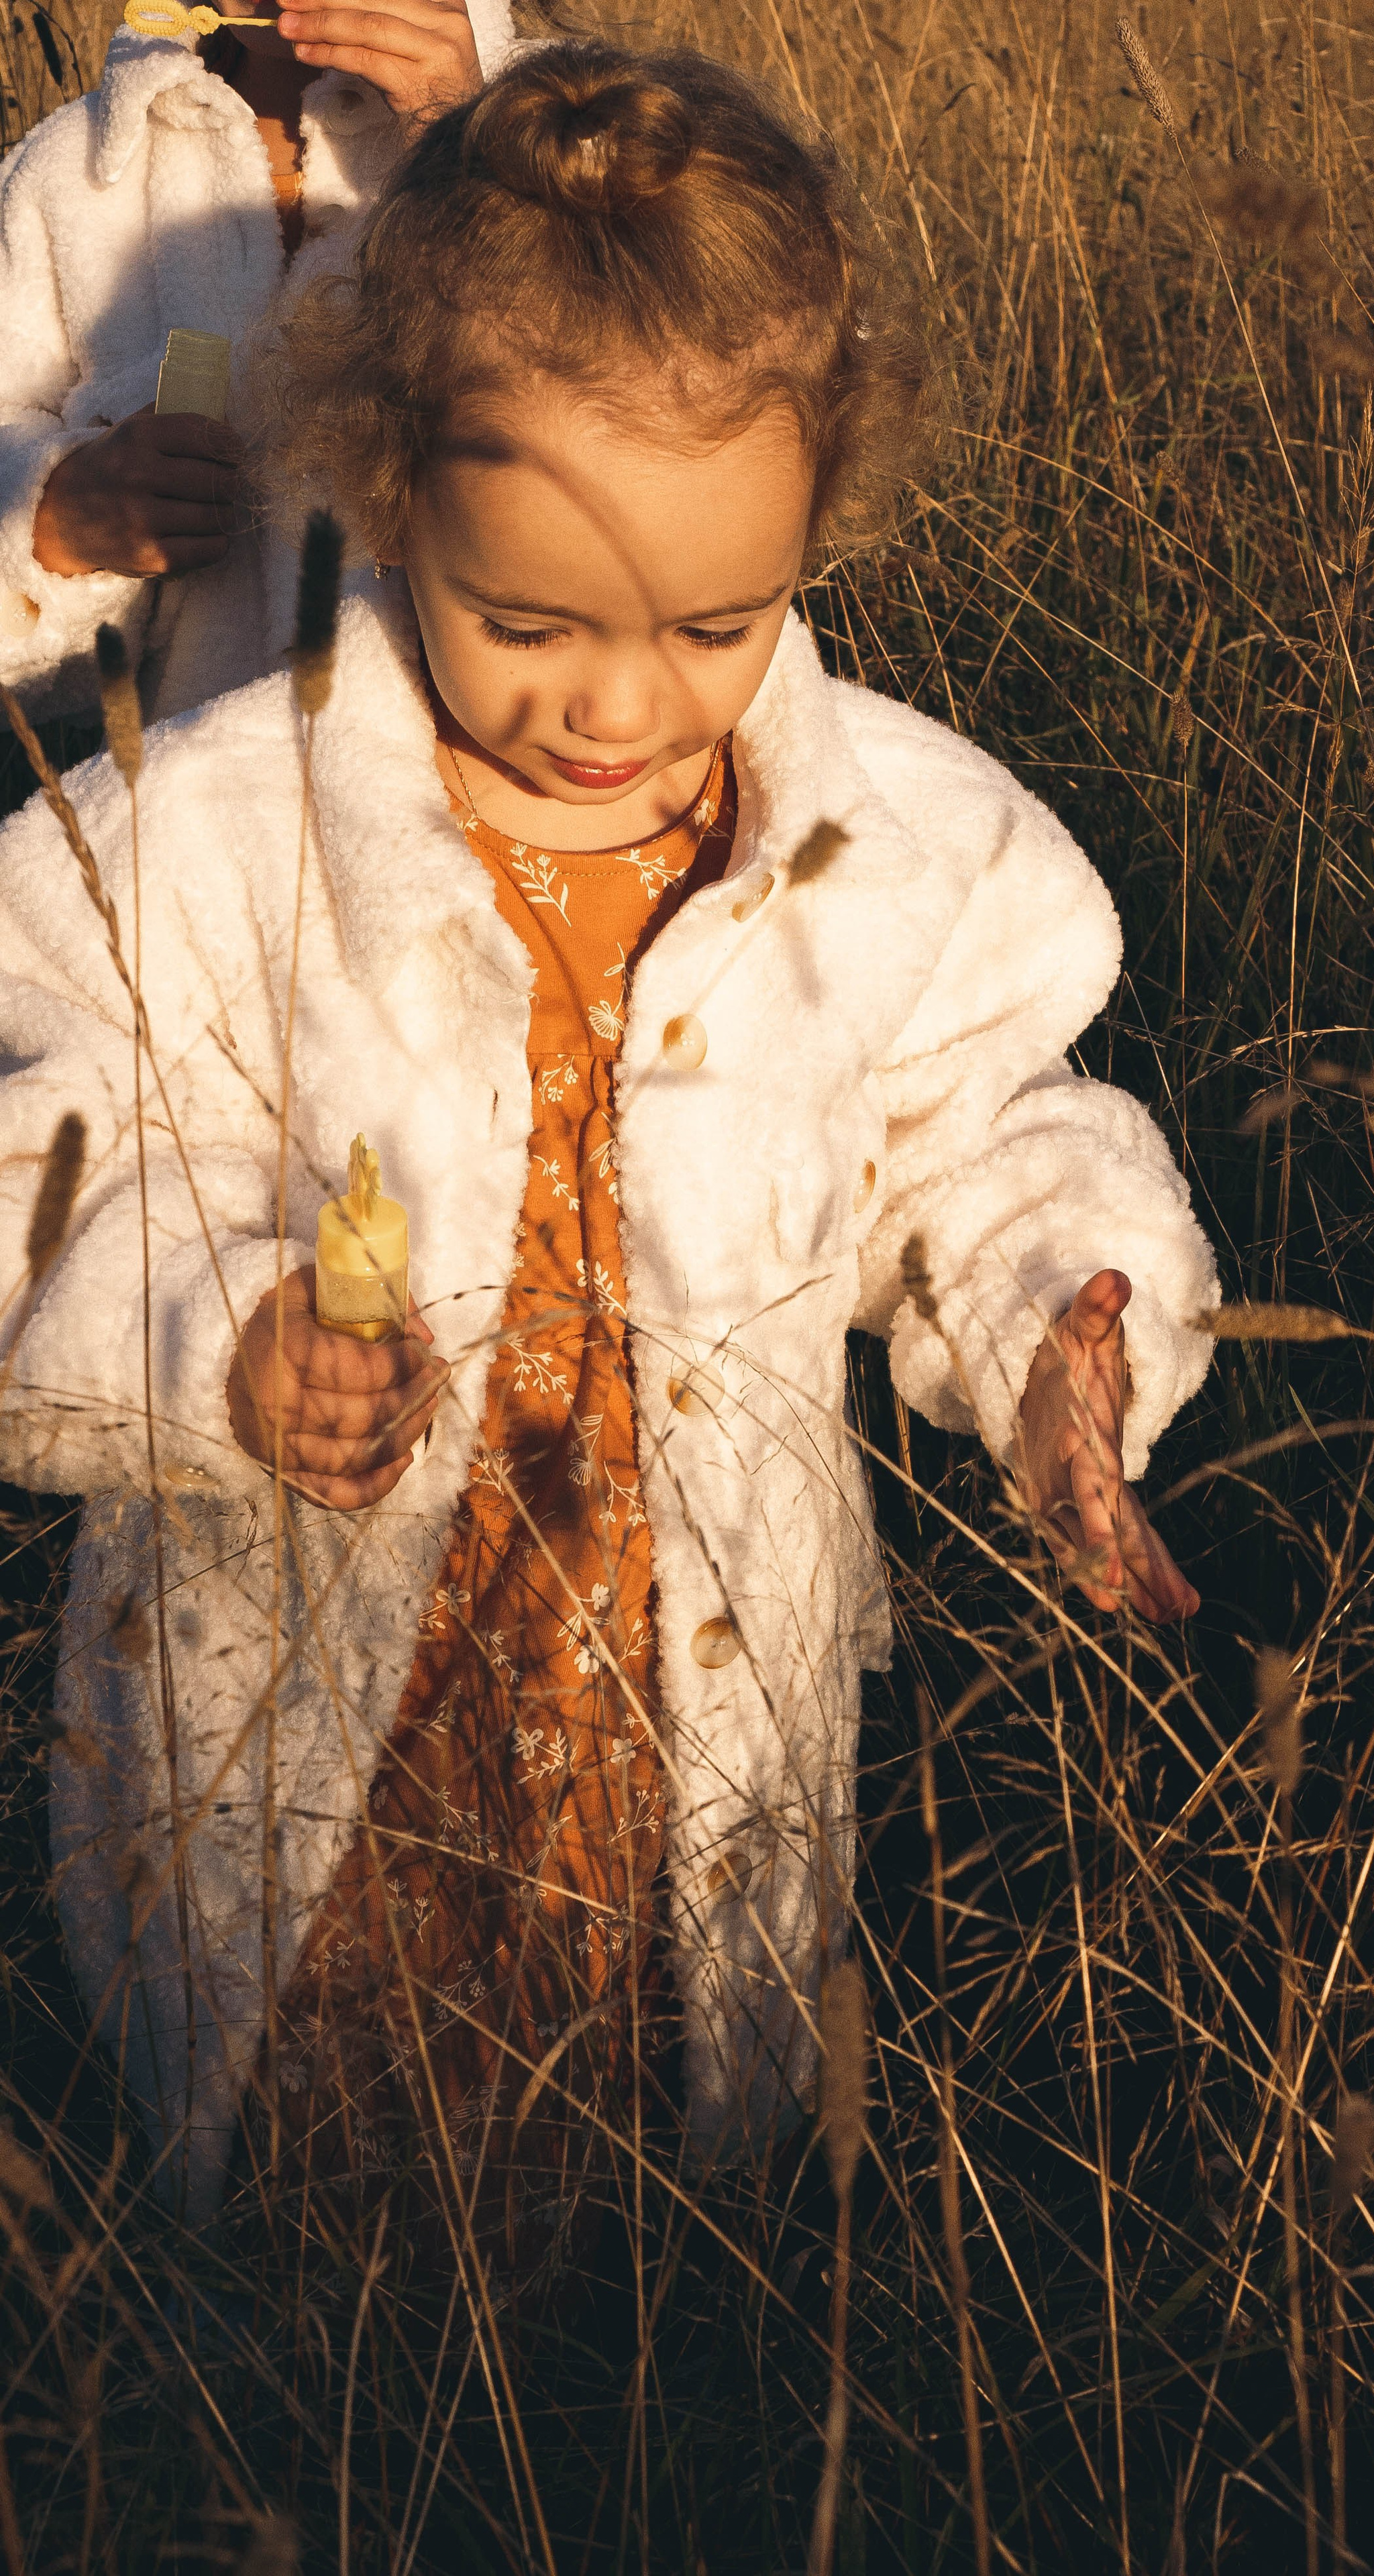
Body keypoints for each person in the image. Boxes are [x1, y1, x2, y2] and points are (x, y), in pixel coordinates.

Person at [0, 40, 1218, 2270]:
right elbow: (32, 1171)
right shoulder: (201, 851)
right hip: (327, 1704)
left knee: (668, 2169)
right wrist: (208, 1341)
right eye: (528, 624)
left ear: (814, 522)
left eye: (710, 626)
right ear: (384, 498)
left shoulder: (891, 853)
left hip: (668, 1686)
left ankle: (648, 2383)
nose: (616, 707)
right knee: (327, 2195)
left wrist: (1062, 1324)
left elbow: (993, 1130)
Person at [0, 0, 513, 725]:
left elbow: (648, 453)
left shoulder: (566, 125)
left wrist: (475, 154)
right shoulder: (65, 172)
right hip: (190, 807)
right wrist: (53, 521)